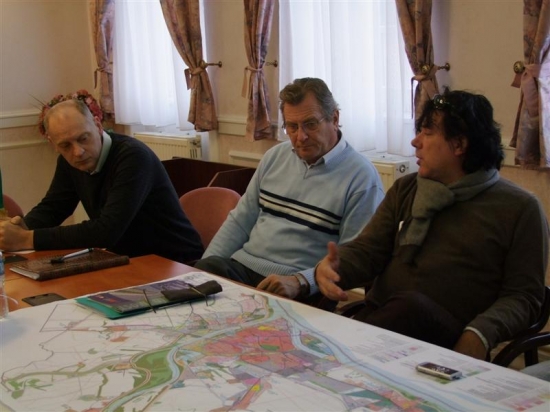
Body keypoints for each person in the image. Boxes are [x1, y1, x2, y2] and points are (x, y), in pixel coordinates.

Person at [315, 90, 549, 360]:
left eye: (427, 133)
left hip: (451, 339)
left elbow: (524, 297)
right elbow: (369, 251)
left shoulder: (519, 208)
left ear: (459, 144)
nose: (415, 142)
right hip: (384, 322)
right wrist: (336, 267)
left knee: (410, 307)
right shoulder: (407, 189)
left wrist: (480, 333)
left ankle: (338, 356)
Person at [195, 77, 385, 301]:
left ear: (334, 119)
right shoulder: (275, 157)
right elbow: (240, 221)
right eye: (292, 127)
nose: (300, 137)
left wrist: (302, 281)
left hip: (300, 286)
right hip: (243, 268)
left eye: (310, 124)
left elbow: (353, 258)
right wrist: (200, 274)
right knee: (197, 280)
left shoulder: (361, 177)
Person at [0, 91, 204, 264]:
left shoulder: (133, 157)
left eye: (83, 138)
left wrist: (27, 239)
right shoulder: (68, 161)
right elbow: (53, 207)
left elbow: (106, 231)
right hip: (126, 261)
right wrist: (18, 228)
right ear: (53, 144)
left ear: (98, 126)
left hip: (175, 263)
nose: (78, 152)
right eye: (65, 145)